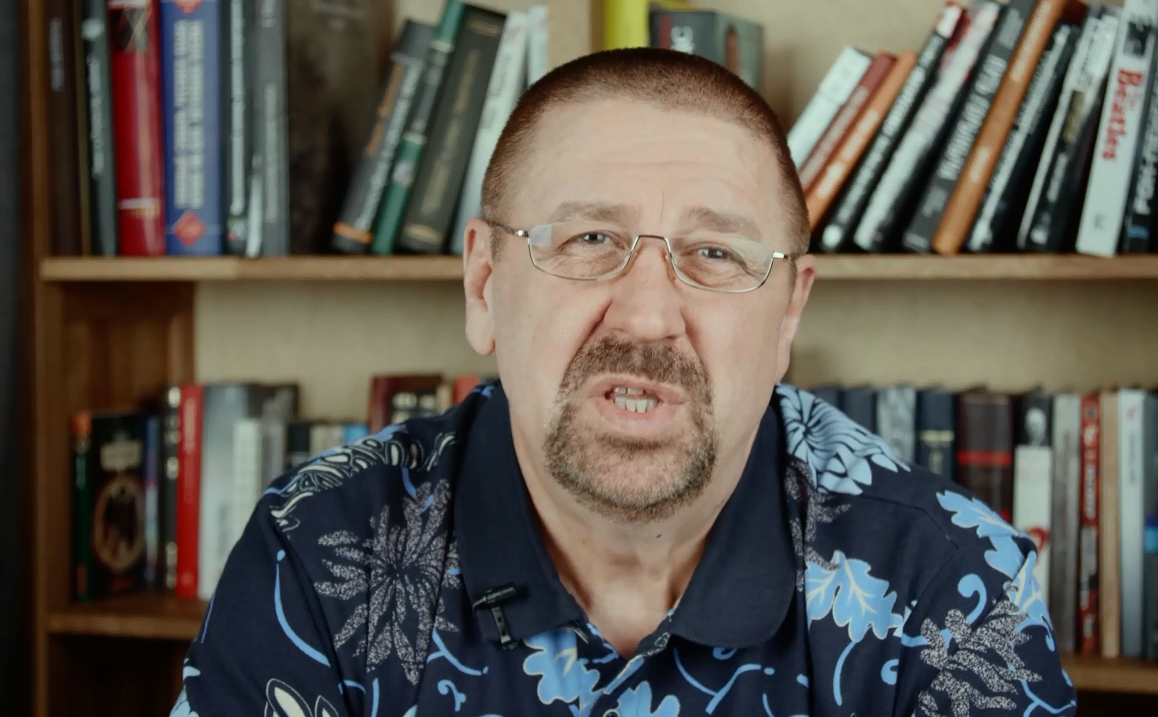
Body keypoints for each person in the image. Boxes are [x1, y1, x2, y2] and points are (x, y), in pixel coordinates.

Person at [171, 47, 1074, 717]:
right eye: (589, 240)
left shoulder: (949, 583)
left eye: (714, 253)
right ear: (484, 285)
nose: (646, 316)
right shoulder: (318, 551)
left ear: (788, 315)